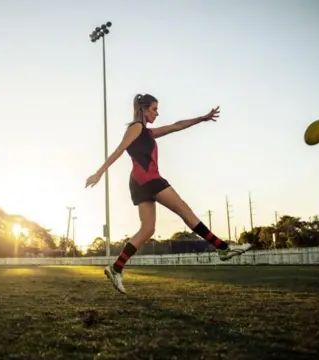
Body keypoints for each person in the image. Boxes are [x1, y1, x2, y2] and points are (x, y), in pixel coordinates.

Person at [85, 94, 252, 294]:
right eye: (154, 109)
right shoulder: (136, 128)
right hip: (149, 179)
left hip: (139, 182)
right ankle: (223, 248)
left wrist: (202, 118)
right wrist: (99, 172)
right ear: (144, 109)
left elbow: (176, 126)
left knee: (147, 229)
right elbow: (119, 150)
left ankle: (116, 268)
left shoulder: (148, 132)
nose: (157, 113)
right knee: (184, 210)